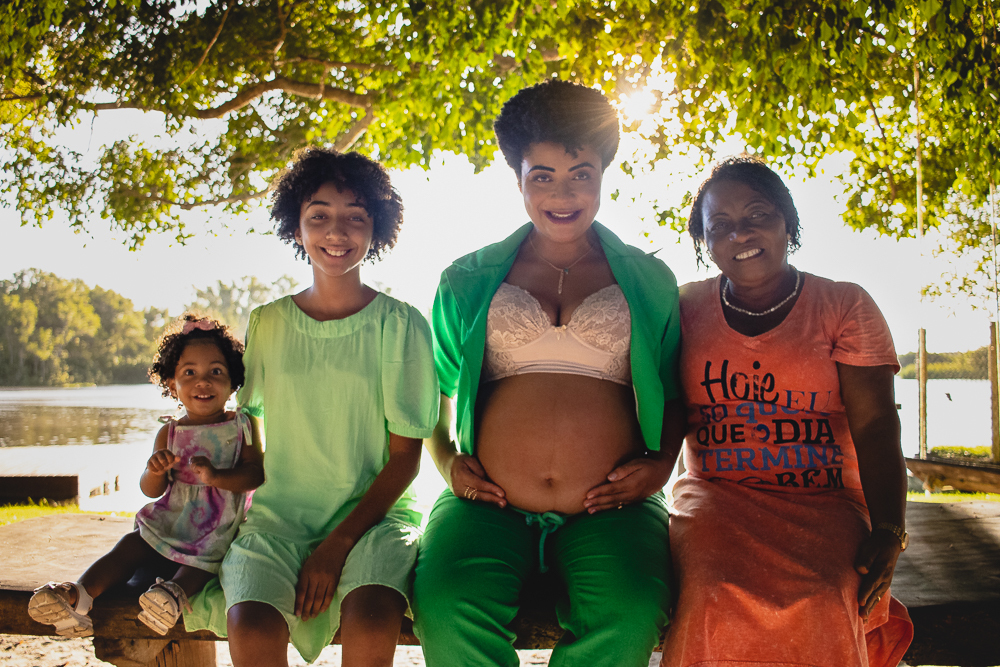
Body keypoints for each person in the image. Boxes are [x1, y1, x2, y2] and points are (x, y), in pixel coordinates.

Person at [412, 80, 685, 667]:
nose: (563, 193)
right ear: (518, 180)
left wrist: (660, 467)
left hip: (612, 508)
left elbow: (677, 390)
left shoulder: (650, 281)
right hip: (487, 505)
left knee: (632, 608)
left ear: (604, 173)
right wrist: (446, 464)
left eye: (581, 173)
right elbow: (430, 396)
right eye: (543, 176)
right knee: (446, 605)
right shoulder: (467, 278)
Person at [183, 148, 439, 667]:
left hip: (374, 520)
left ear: (376, 228)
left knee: (370, 617)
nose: (336, 231)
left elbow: (406, 457)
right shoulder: (267, 322)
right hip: (277, 518)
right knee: (250, 626)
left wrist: (337, 546)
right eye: (318, 215)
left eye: (355, 216)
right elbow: (249, 434)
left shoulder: (401, 323)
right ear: (296, 227)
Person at [660, 156, 914, 667]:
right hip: (716, 498)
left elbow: (876, 425)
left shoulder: (843, 305)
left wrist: (889, 529)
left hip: (827, 501)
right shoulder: (683, 307)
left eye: (758, 215)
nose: (741, 233)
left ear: (788, 222)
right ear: (704, 242)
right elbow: (659, 406)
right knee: (711, 589)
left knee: (825, 594)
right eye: (721, 226)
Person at [27, 315, 264, 637]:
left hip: (218, 524)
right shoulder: (170, 432)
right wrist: (155, 471)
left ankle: (171, 596)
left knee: (205, 561)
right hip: (170, 518)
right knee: (130, 545)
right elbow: (151, 491)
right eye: (189, 373)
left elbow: (254, 475)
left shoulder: (243, 426)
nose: (203, 381)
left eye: (216, 372)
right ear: (172, 384)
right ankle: (77, 596)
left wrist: (216, 477)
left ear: (233, 380)